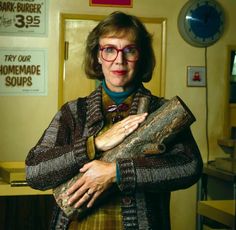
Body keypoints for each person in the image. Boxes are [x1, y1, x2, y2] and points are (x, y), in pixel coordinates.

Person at [25, 11, 203, 230]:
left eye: (130, 50)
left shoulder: (163, 111)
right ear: (98, 56)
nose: (119, 60)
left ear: (142, 56)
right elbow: (34, 172)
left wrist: (117, 172)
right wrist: (94, 144)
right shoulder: (72, 112)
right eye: (109, 49)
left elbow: (189, 166)